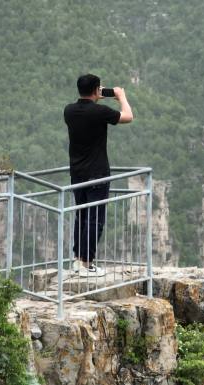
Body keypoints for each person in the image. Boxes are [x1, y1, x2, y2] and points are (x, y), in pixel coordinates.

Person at [64, 74, 133, 276]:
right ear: (96, 90)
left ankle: (78, 260)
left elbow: (86, 110)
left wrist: (94, 97)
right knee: (95, 219)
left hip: (77, 173)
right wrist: (120, 96)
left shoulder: (68, 111)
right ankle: (87, 263)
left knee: (82, 216)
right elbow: (128, 116)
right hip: (97, 174)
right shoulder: (99, 111)